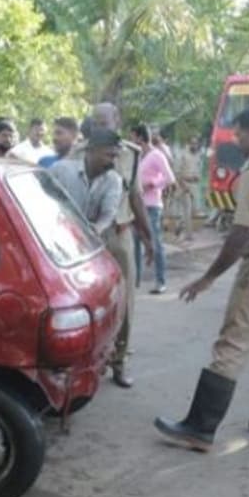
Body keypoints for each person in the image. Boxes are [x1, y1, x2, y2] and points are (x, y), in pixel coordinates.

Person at [155, 106, 249, 451]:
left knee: (231, 346)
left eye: (239, 133)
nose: (236, 139)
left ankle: (199, 429)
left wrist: (208, 277)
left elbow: (242, 233)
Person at [80, 103, 153, 389]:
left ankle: (119, 362)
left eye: (105, 121)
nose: (99, 125)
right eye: (95, 121)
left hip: (120, 236)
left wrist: (148, 238)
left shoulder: (130, 155)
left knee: (124, 301)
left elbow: (136, 197)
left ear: (117, 120)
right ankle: (85, 363)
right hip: (86, 239)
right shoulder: (79, 152)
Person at [49, 127, 123, 237]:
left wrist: (98, 228)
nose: (113, 162)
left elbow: (108, 214)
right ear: (91, 151)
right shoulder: (61, 170)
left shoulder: (114, 180)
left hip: (87, 243)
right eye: (109, 155)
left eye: (115, 156)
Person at [132, 124, 175, 294]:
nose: (131, 141)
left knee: (155, 243)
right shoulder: (138, 156)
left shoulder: (157, 155)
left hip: (152, 206)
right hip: (136, 206)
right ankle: (135, 280)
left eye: (133, 137)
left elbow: (170, 178)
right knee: (135, 243)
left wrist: (152, 184)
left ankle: (160, 281)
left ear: (140, 138)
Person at [173, 137, 204, 241]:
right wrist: (183, 184)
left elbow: (198, 169)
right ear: (188, 144)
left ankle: (179, 225)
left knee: (193, 210)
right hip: (184, 185)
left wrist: (198, 177)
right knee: (187, 209)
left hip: (194, 185)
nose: (194, 146)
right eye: (192, 143)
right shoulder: (182, 155)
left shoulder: (198, 155)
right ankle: (188, 235)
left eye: (196, 144)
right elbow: (176, 172)